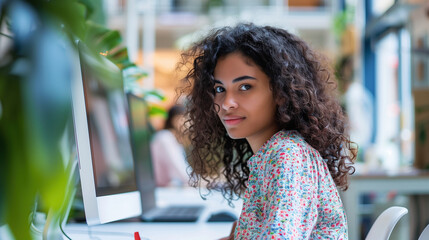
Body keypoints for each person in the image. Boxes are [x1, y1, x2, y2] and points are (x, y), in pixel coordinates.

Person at [178, 23, 357, 239]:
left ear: (282, 92)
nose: (227, 103)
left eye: (245, 86)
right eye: (219, 89)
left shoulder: (287, 155)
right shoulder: (275, 152)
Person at [150, 104, 190, 187]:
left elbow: (184, 169)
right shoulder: (165, 137)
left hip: (166, 187)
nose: (189, 123)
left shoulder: (173, 139)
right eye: (186, 118)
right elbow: (179, 170)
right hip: (159, 188)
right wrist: (199, 181)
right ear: (175, 120)